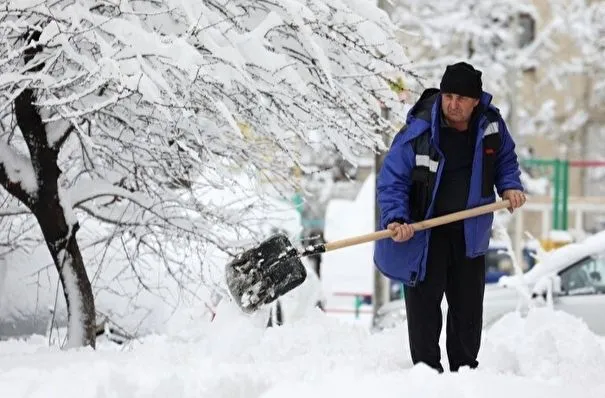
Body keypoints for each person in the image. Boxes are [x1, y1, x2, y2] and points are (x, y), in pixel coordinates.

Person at [373, 62, 526, 373]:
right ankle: (427, 377)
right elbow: (392, 180)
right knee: (424, 313)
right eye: (448, 96)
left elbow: (506, 160)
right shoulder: (419, 131)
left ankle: (465, 375)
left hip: (469, 234)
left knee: (468, 312)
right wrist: (396, 219)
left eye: (461, 98)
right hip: (425, 236)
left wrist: (509, 186)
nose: (452, 104)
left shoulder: (491, 125)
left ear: (475, 101)